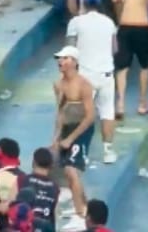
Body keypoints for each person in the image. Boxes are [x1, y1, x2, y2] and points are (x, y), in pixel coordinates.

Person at [65, 0, 119, 164]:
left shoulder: (76, 22)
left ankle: (82, 152)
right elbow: (115, 49)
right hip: (106, 73)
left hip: (85, 76)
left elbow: (70, 50)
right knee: (107, 112)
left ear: (84, 2)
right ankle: (108, 151)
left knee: (83, 114)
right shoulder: (109, 22)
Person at [52, 46, 98, 229]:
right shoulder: (58, 84)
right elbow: (60, 112)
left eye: (64, 58)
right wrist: (56, 137)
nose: (60, 62)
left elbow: (89, 116)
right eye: (59, 59)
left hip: (82, 129)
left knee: (71, 170)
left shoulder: (84, 84)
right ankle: (85, 208)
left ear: (74, 61)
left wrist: (71, 138)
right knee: (69, 172)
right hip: (67, 128)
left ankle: (80, 215)